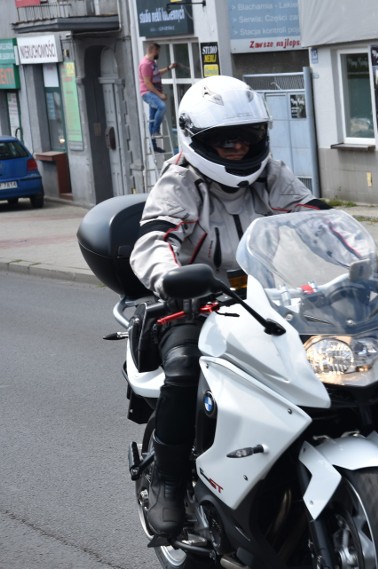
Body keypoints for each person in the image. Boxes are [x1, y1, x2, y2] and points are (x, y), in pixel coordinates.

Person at [129, 75, 331, 537]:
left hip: (272, 303)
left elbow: (314, 219)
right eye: (224, 139)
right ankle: (168, 479)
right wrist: (169, 278)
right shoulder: (179, 181)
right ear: (198, 141)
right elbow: (154, 240)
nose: (237, 147)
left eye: (247, 135)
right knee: (184, 371)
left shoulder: (272, 174)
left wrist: (362, 266)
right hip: (197, 304)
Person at [138, 42, 177, 153]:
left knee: (152, 118)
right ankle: (156, 131)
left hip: (153, 93)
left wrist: (169, 68)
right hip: (148, 93)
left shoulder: (151, 63)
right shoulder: (145, 64)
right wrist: (159, 95)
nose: (158, 53)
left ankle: (153, 146)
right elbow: (147, 83)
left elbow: (156, 73)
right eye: (157, 51)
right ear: (153, 50)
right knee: (162, 106)